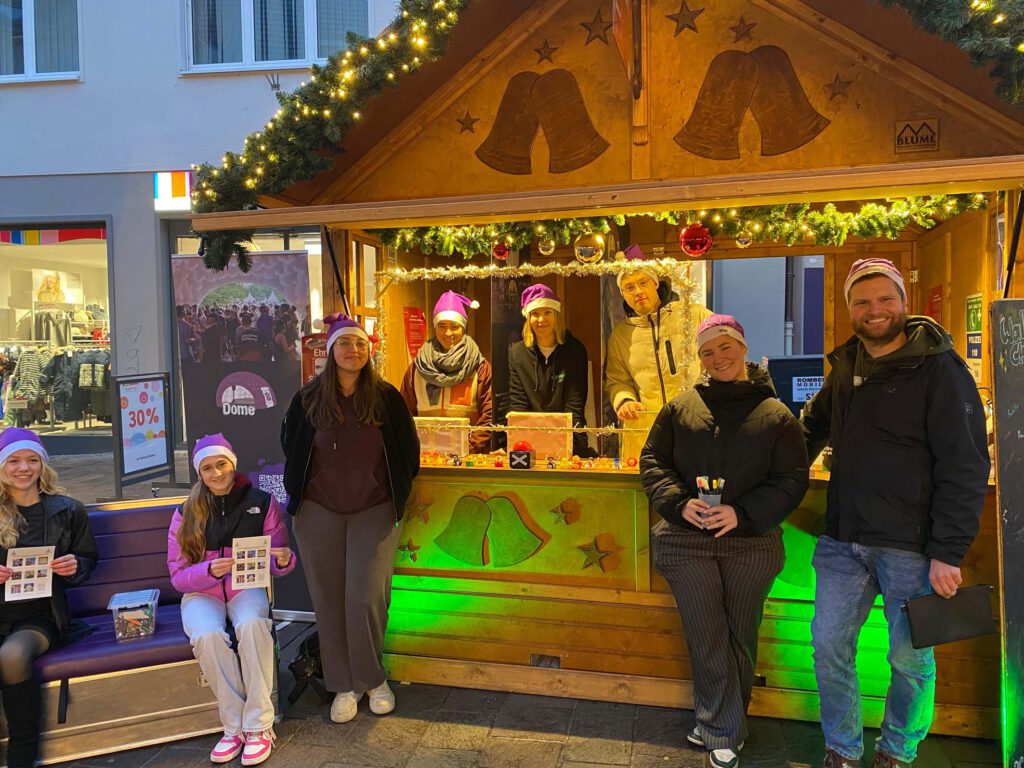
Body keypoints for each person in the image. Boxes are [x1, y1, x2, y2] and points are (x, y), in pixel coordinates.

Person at [801, 259, 989, 768]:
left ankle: (897, 751)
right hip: (843, 539)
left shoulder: (942, 369)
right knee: (827, 649)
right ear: (849, 311)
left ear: (903, 302)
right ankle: (841, 749)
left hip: (911, 545)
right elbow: (810, 429)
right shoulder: (846, 365)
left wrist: (948, 552)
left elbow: (966, 465)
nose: (874, 310)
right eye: (862, 302)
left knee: (910, 660)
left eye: (885, 299)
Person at [640, 315, 808, 768]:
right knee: (707, 632)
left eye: (725, 347)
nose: (719, 358)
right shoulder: (680, 408)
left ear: (743, 347)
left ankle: (720, 718)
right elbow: (653, 461)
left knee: (740, 635)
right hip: (686, 542)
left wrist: (743, 512)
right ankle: (723, 733)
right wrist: (678, 504)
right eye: (708, 352)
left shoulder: (777, 415)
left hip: (751, 543)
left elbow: (792, 479)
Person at [281, 314, 419, 724]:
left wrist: (390, 488)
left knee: (365, 598)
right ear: (330, 351)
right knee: (328, 599)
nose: (353, 351)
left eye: (360, 344)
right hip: (317, 510)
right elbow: (291, 445)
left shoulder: (386, 398)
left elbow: (407, 450)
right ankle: (343, 684)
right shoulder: (306, 399)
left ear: (369, 350)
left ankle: (373, 679)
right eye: (345, 344)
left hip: (373, 510)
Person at [167, 434, 295, 766]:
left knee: (253, 625)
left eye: (221, 464)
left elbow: (275, 557)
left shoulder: (263, 502)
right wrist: (208, 570)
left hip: (246, 587)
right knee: (208, 636)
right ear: (199, 473)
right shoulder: (185, 512)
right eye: (207, 468)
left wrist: (281, 560)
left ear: (232, 463)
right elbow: (179, 576)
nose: (216, 473)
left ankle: (259, 726)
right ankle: (234, 727)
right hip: (202, 592)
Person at [0, 428, 97, 768]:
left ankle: (21, 757)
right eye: (13, 460)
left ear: (43, 465)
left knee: (12, 655)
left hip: (41, 616)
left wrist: (74, 566)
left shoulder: (68, 510)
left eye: (31, 460)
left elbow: (87, 560)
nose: (23, 468)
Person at [401, 291, 493, 454]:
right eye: (442, 326)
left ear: (463, 328)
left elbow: (489, 413)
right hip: (425, 455)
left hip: (468, 457)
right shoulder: (418, 366)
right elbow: (404, 411)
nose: (448, 333)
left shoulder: (480, 366)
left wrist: (469, 449)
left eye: (454, 327)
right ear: (434, 327)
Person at [508, 284, 591, 456]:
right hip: (529, 440)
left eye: (547, 313)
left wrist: (568, 445)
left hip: (570, 439)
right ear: (528, 318)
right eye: (535, 314)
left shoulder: (575, 350)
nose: (541, 320)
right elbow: (518, 404)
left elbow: (575, 406)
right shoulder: (517, 353)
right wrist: (521, 443)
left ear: (556, 315)